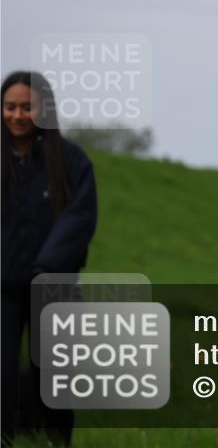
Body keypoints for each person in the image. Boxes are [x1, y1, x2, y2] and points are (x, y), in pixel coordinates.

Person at [1, 71, 98, 447]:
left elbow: (80, 217)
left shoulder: (72, 161)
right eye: (10, 107)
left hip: (54, 285)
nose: (17, 115)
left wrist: (46, 267)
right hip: (3, 287)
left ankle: (55, 442)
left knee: (56, 376)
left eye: (27, 107)